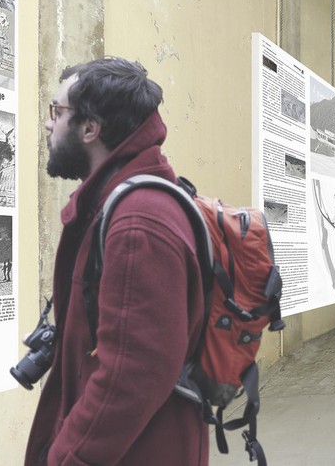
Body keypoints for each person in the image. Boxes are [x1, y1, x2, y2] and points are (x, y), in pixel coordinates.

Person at [25, 58, 207, 465]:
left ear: (91, 128)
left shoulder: (138, 222)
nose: (48, 124)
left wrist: (66, 457)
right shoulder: (120, 202)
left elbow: (133, 374)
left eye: (57, 112)